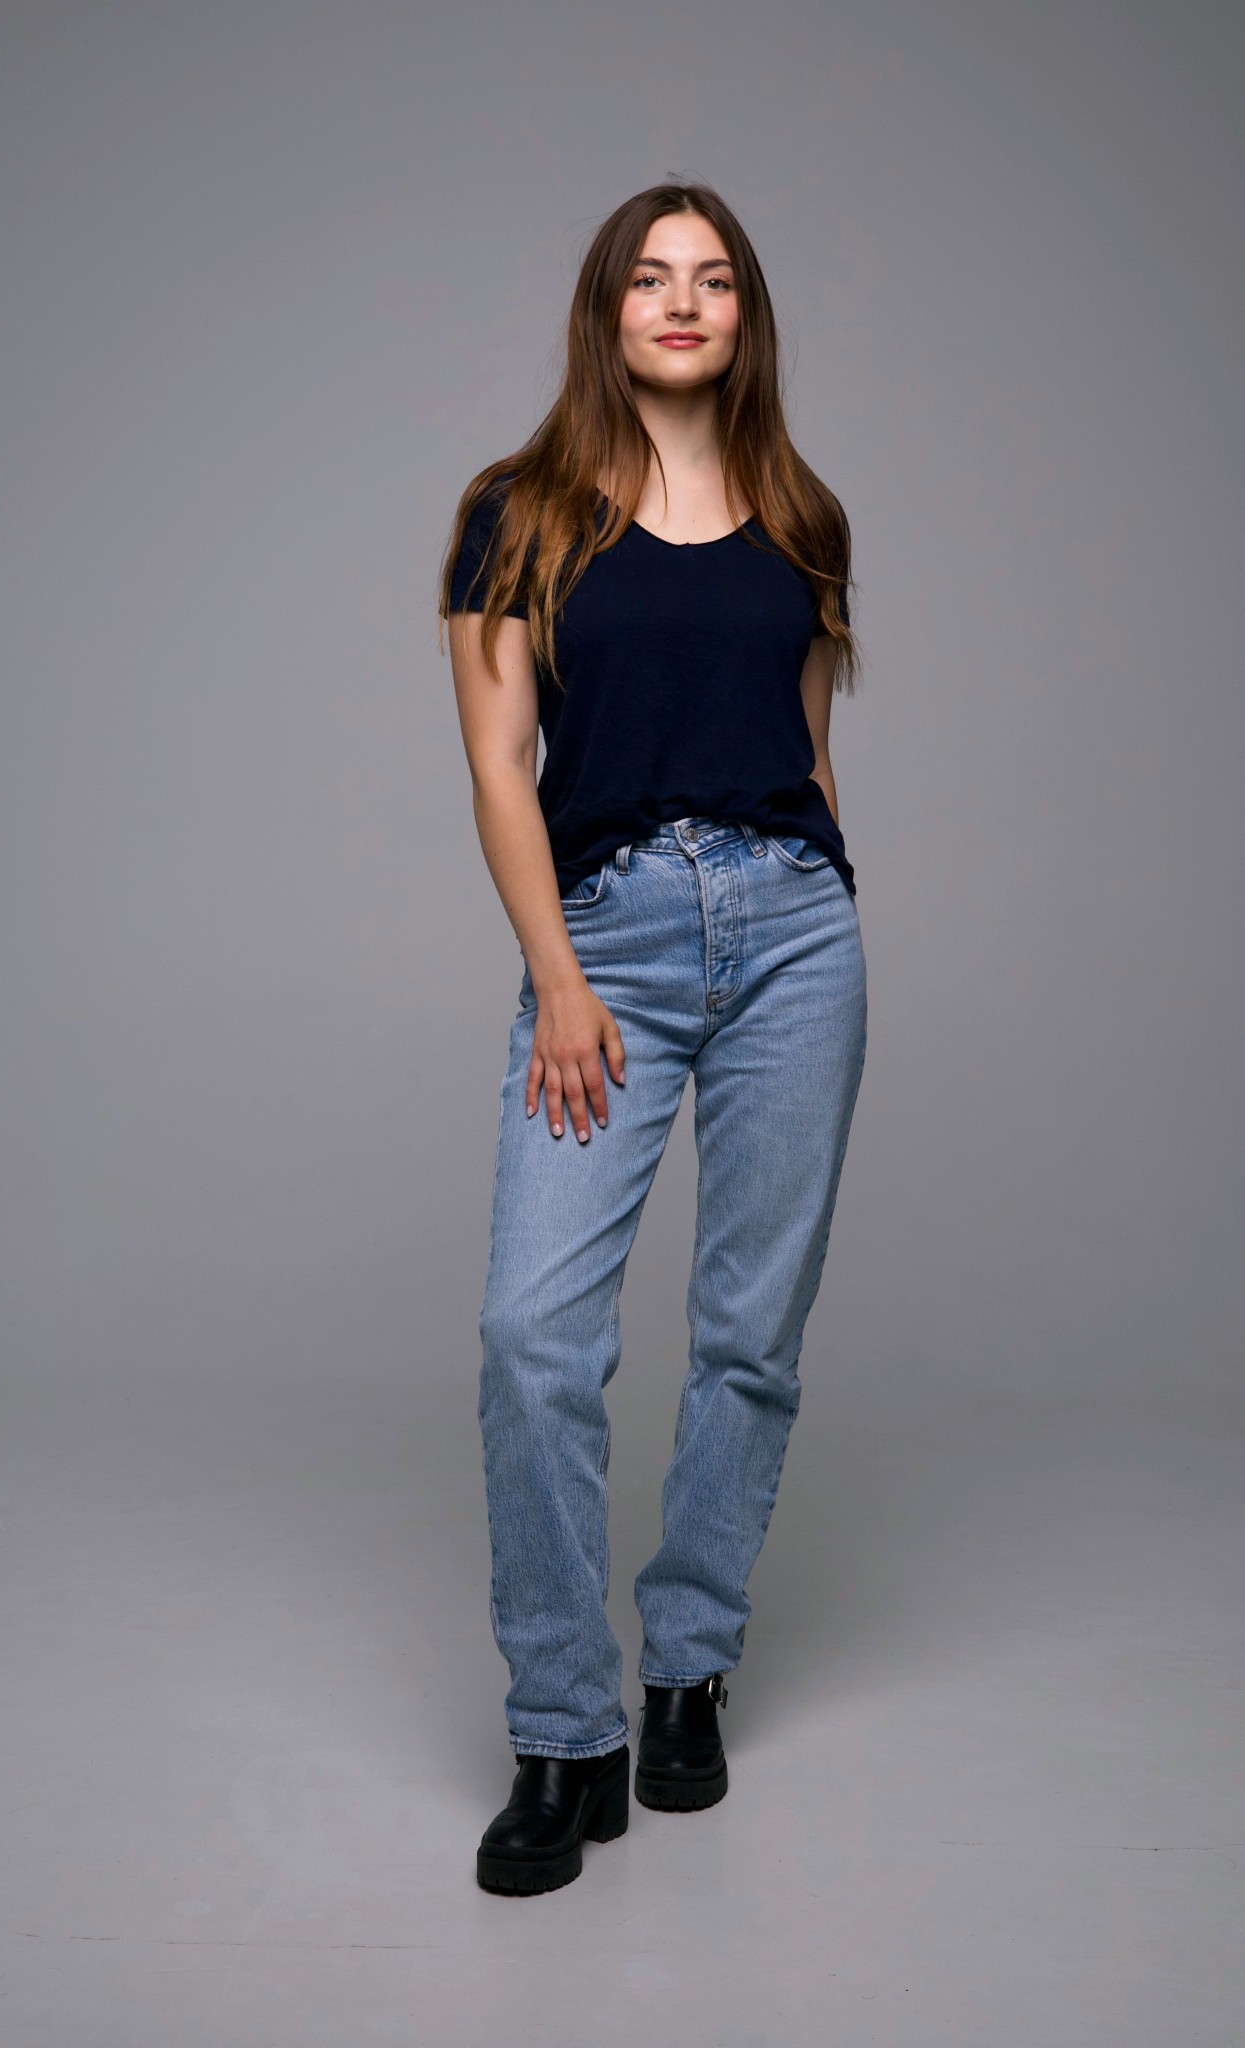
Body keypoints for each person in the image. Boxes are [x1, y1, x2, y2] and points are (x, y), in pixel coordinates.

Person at [438, 181, 867, 1897]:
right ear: (604, 311)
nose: (679, 302)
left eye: (711, 279)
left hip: (794, 939)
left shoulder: (804, 517)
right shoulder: (517, 511)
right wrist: (553, 974)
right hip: (603, 938)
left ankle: (685, 1666)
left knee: (749, 1334)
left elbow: (809, 751)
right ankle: (565, 1733)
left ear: (742, 313)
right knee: (531, 1336)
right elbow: (496, 765)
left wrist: (831, 913)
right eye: (647, 278)